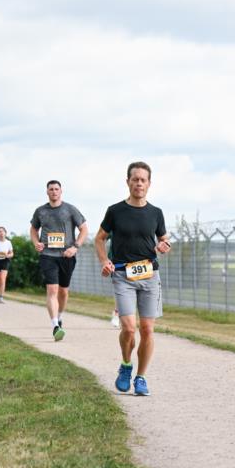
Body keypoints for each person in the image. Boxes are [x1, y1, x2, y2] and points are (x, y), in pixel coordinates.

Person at [94, 161, 170, 396]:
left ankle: (141, 377)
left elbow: (164, 238)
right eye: (135, 179)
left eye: (143, 180)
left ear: (149, 184)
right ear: (127, 182)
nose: (139, 183)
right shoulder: (115, 211)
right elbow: (99, 238)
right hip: (123, 275)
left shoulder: (156, 213)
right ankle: (126, 365)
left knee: (147, 329)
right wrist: (105, 261)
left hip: (150, 275)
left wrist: (165, 244)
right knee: (128, 328)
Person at [30, 180, 88, 341]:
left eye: (56, 189)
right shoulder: (40, 211)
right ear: (47, 192)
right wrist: (36, 243)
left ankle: (60, 316)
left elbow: (84, 229)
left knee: (63, 291)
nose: (54, 192)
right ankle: (55, 325)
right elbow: (34, 229)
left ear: (61, 191)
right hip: (48, 255)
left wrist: (75, 246)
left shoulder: (70, 209)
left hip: (66, 256)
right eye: (51, 189)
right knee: (52, 290)